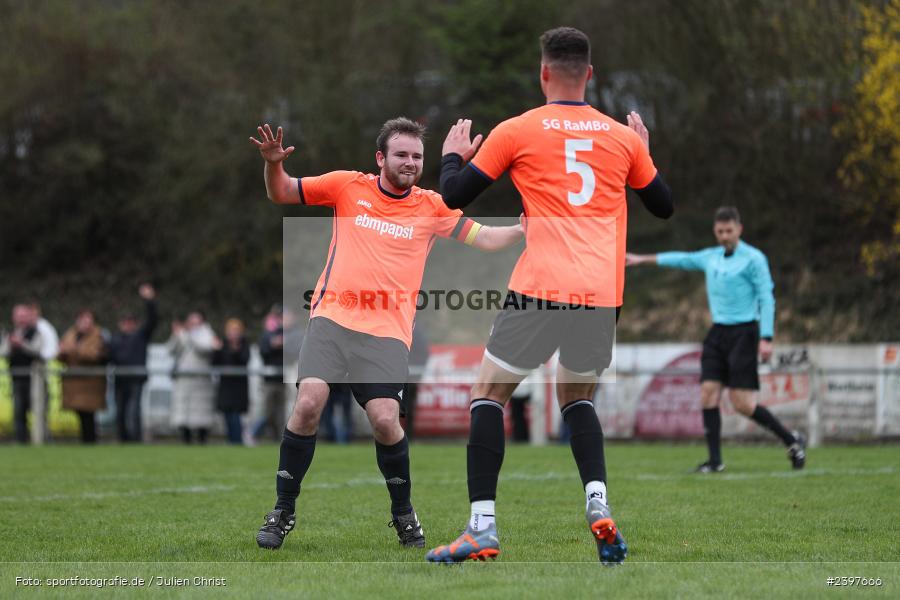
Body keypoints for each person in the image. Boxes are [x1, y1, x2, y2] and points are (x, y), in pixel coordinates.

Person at [426, 27, 673, 565]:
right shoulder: (621, 137)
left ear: (543, 73)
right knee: (578, 400)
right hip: (601, 294)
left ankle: (482, 528)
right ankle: (598, 504)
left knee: (487, 396)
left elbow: (451, 198)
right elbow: (663, 205)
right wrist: (642, 155)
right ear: (590, 75)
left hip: (540, 285)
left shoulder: (518, 130)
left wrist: (450, 156)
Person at [248, 117, 524, 552]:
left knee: (384, 421)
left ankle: (403, 511)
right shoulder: (346, 186)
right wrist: (272, 164)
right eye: (401, 154)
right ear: (381, 158)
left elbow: (484, 238)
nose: (410, 162)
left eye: (417, 156)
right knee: (307, 404)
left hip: (387, 334)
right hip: (332, 320)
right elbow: (280, 191)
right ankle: (282, 510)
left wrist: (524, 229)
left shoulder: (432, 205)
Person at [626, 206, 806, 472]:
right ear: (715, 231)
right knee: (707, 393)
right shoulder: (711, 257)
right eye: (720, 231)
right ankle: (715, 461)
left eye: (729, 231)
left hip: (745, 332)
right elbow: (681, 259)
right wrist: (642, 259)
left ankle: (791, 441)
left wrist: (766, 337)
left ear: (739, 229)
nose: (724, 236)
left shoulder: (754, 259)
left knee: (742, 404)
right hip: (717, 333)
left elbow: (767, 298)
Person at [108, 283, 158, 442]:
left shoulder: (141, 336)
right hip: (120, 380)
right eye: (125, 321)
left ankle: (135, 441)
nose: (127, 324)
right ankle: (123, 441)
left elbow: (153, 320)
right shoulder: (114, 339)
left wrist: (150, 301)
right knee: (120, 413)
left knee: (133, 413)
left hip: (136, 380)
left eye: (130, 321)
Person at [167, 311, 219, 444]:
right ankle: (185, 438)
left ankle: (202, 438)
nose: (193, 325)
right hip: (184, 380)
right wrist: (176, 335)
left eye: (197, 322)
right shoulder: (182, 334)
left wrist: (189, 336)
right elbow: (170, 350)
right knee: (184, 411)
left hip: (201, 380)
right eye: (191, 322)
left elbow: (206, 349)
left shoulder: (207, 333)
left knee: (202, 412)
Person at [58, 310, 108, 444]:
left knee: (89, 415)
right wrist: (62, 353)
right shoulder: (70, 334)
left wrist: (73, 350)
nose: (84, 324)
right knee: (80, 414)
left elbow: (94, 355)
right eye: (82, 320)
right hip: (74, 383)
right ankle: (85, 441)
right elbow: (61, 352)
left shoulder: (98, 335)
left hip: (91, 383)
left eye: (88, 321)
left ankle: (90, 441)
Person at [0, 305, 46, 443]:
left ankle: (40, 439)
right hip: (16, 378)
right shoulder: (10, 334)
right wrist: (10, 344)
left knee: (37, 410)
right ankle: (20, 440)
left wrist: (22, 344)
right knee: (19, 411)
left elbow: (38, 350)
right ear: (14, 318)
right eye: (18, 316)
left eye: (23, 316)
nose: (20, 319)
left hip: (34, 379)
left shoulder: (36, 332)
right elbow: (3, 353)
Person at [255, 304, 290, 443]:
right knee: (267, 411)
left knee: (281, 412)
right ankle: (253, 433)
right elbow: (264, 351)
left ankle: (280, 438)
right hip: (269, 379)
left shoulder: (287, 332)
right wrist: (273, 344)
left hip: (282, 378)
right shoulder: (268, 333)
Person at [213, 318, 251, 445]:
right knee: (227, 415)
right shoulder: (221, 344)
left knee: (236, 415)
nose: (233, 333)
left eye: (236, 330)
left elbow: (244, 360)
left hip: (239, 386)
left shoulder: (244, 344)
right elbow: (215, 362)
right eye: (231, 330)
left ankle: (237, 441)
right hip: (225, 385)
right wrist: (217, 350)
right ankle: (231, 441)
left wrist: (235, 350)